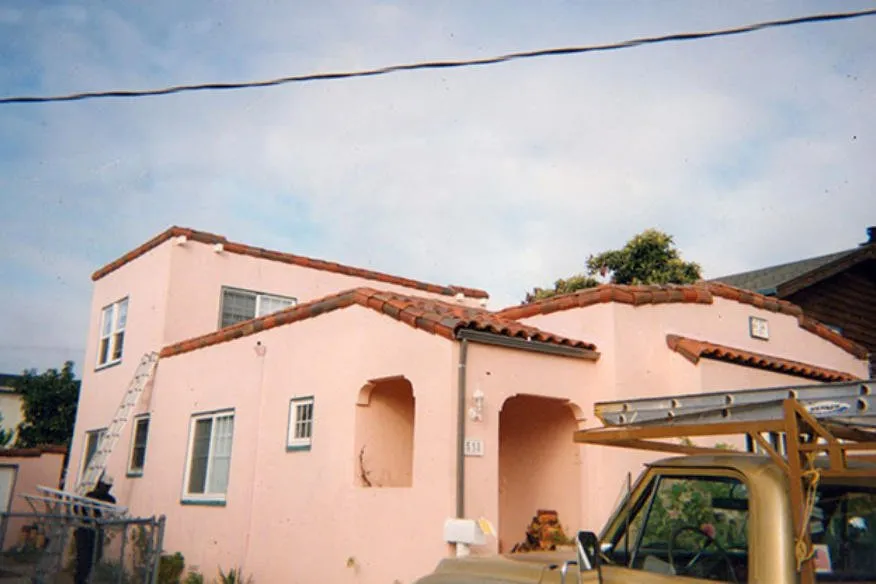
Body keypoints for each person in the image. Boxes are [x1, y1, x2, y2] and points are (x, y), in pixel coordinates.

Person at [74, 476, 117, 584]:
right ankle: (81, 579)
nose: (105, 488)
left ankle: (84, 579)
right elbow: (78, 509)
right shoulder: (90, 496)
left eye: (107, 486)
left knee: (92, 557)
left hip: (94, 530)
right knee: (84, 558)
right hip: (85, 530)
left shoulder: (109, 499)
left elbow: (110, 514)